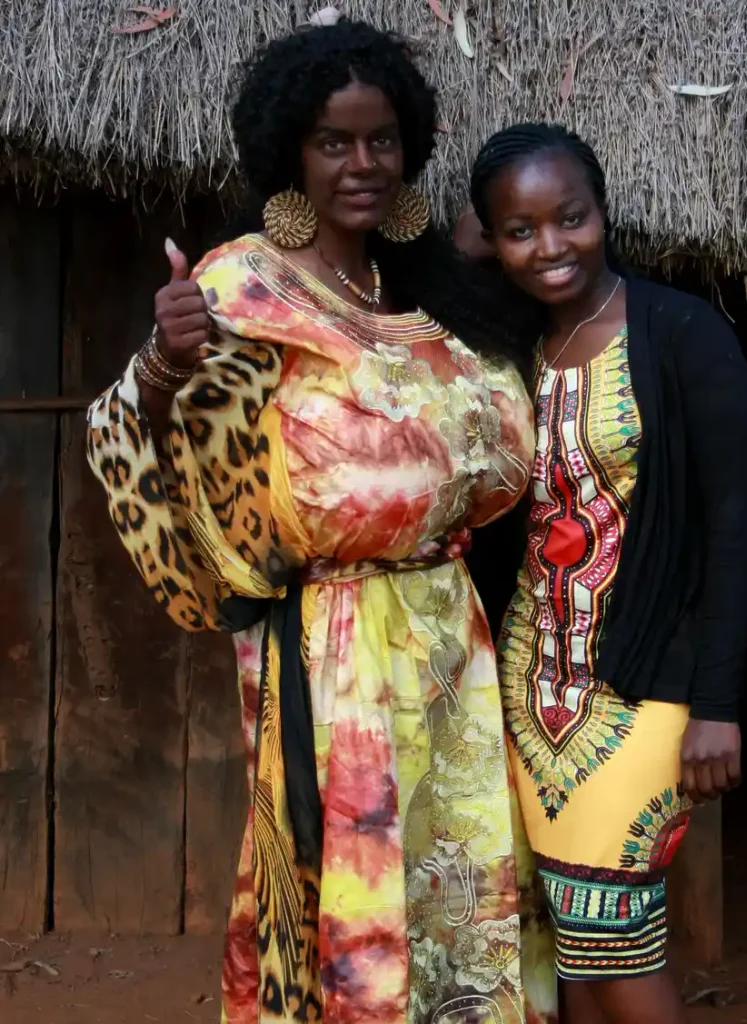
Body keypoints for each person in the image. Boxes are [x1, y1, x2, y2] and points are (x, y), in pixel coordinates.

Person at [84, 23, 557, 1024]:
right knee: (352, 901)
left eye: (380, 140)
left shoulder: (425, 281)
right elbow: (131, 434)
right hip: (334, 648)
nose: (361, 164)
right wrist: (167, 366)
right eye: (333, 142)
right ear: (290, 152)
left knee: (457, 885)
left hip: (447, 635)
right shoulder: (240, 286)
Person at [464, 124, 747, 1024]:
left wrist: (717, 705)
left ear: (604, 213)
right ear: (491, 240)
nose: (550, 246)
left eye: (571, 218)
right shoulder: (509, 343)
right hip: (528, 678)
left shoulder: (681, 333)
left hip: (646, 684)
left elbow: (735, 528)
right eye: (519, 230)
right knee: (573, 949)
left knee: (616, 935)